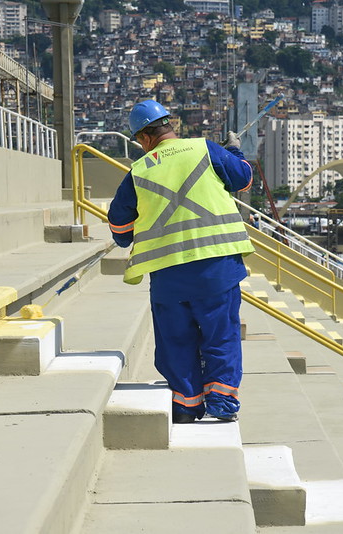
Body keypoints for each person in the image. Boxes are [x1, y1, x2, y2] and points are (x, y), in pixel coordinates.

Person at [108, 99, 254, 424]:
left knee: (176, 341)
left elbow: (119, 228)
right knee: (221, 335)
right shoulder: (205, 149)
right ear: (169, 125)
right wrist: (235, 150)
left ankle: (187, 405)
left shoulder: (139, 171)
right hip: (217, 268)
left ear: (144, 138)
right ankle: (222, 399)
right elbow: (243, 179)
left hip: (168, 277)